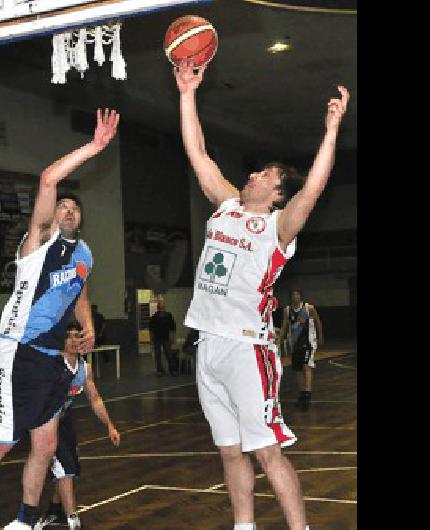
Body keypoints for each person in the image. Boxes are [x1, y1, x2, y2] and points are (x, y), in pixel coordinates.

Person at [175, 58, 349, 530]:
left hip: (247, 347)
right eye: (258, 172)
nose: (254, 175)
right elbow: (197, 153)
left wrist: (331, 130)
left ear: (276, 194)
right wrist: (187, 93)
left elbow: (312, 191)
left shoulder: (277, 228)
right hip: (207, 343)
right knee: (230, 453)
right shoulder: (227, 205)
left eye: (267, 175)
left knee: (266, 452)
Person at [0, 108, 119, 530]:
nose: (68, 210)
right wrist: (94, 147)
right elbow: (46, 179)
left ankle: (24, 520)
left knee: (46, 443)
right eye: (62, 207)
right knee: (3, 440)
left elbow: (79, 292)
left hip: (50, 358)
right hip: (16, 349)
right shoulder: (37, 246)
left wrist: (90, 326)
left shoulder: (83, 256)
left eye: (74, 208)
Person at [34, 321, 121, 530]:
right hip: (45, 422)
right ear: (62, 340)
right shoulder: (52, 364)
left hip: (65, 421)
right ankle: (73, 520)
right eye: (70, 335)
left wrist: (110, 425)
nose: (74, 340)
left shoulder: (84, 368)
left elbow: (95, 399)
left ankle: (54, 512)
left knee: (69, 466)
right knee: (65, 470)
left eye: (78, 336)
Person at [277, 289, 323, 411]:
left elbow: (318, 322)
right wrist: (279, 341)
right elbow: (284, 327)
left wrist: (320, 336)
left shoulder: (309, 308)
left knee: (306, 366)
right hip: (295, 344)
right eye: (293, 295)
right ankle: (302, 394)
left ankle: (307, 394)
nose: (295, 297)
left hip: (308, 342)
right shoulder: (287, 310)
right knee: (297, 369)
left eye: (297, 295)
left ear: (301, 297)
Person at [148, 300, 177, 376]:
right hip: (157, 338)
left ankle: (172, 369)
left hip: (166, 338)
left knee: (168, 354)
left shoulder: (168, 316)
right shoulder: (154, 317)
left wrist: (173, 337)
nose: (162, 309)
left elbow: (173, 327)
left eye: (163, 307)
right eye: (161, 307)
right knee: (158, 355)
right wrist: (151, 339)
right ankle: (160, 370)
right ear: (158, 308)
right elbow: (151, 329)